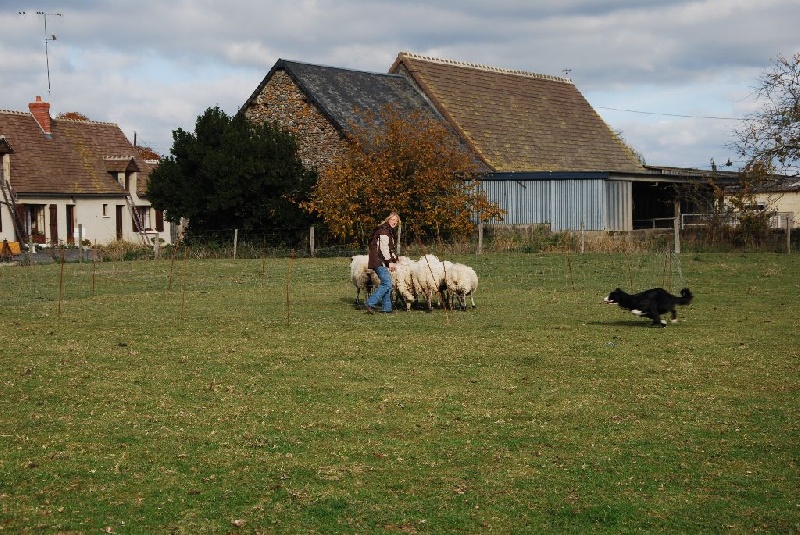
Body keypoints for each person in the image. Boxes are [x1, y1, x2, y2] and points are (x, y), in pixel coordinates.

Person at [364, 212, 400, 314]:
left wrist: (395, 258)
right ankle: (370, 303)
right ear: (388, 220)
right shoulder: (384, 231)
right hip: (378, 261)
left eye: (396, 221)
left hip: (380, 260)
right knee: (387, 283)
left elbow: (387, 249)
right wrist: (390, 262)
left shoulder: (387, 230)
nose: (394, 222)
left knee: (387, 283)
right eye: (393, 220)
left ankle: (387, 309)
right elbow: (384, 249)